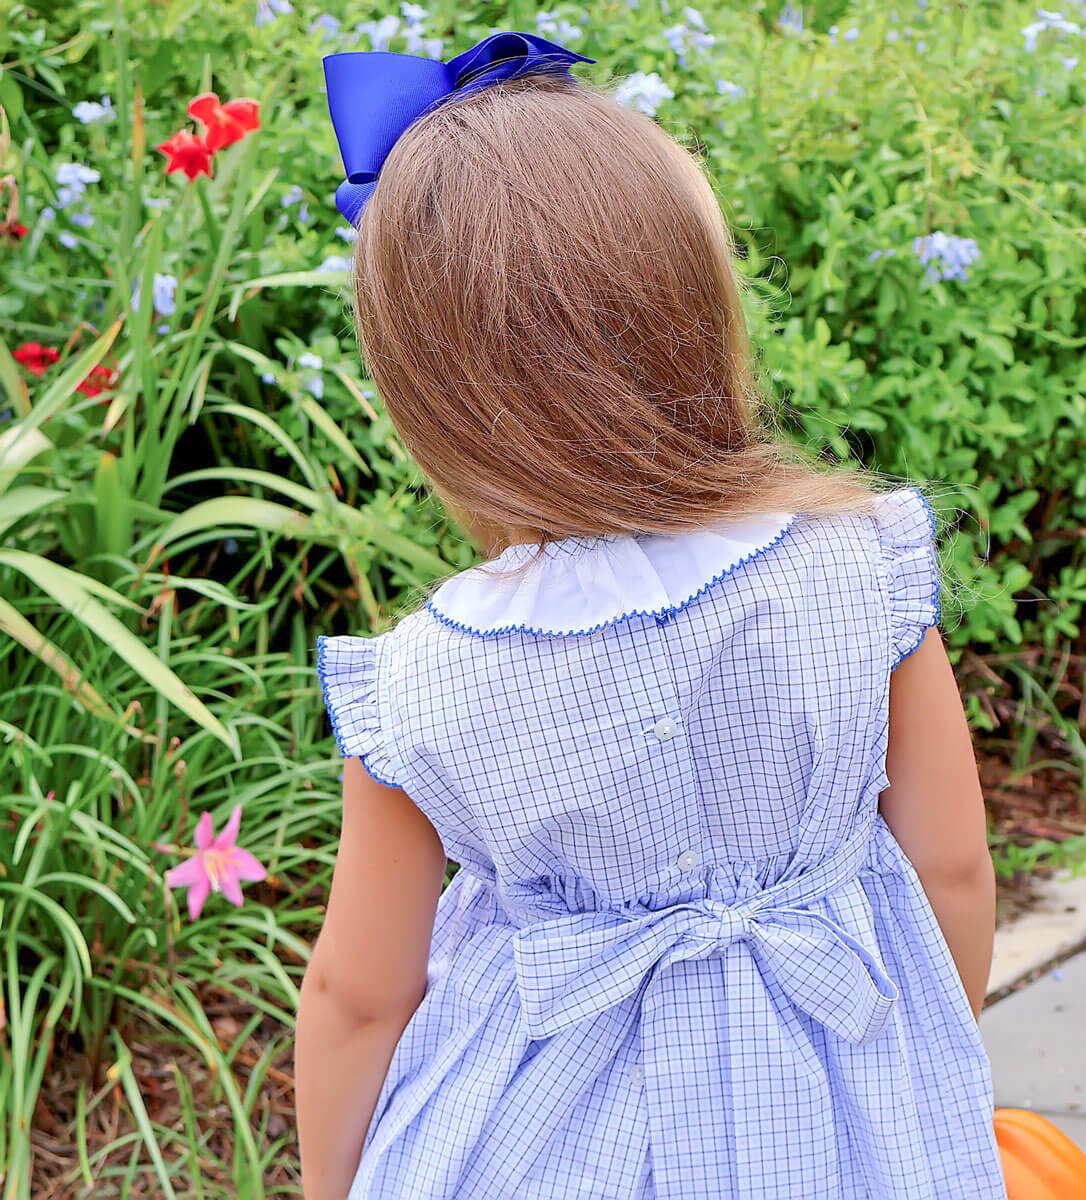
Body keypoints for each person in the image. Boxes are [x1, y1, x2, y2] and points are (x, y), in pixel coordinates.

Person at [295, 30, 1007, 1200]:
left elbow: (361, 998)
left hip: (539, 1141)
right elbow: (953, 871)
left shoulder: (424, 680)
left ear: (428, 396)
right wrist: (929, 1071)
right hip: (837, 1110)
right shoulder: (859, 566)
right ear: (701, 313)